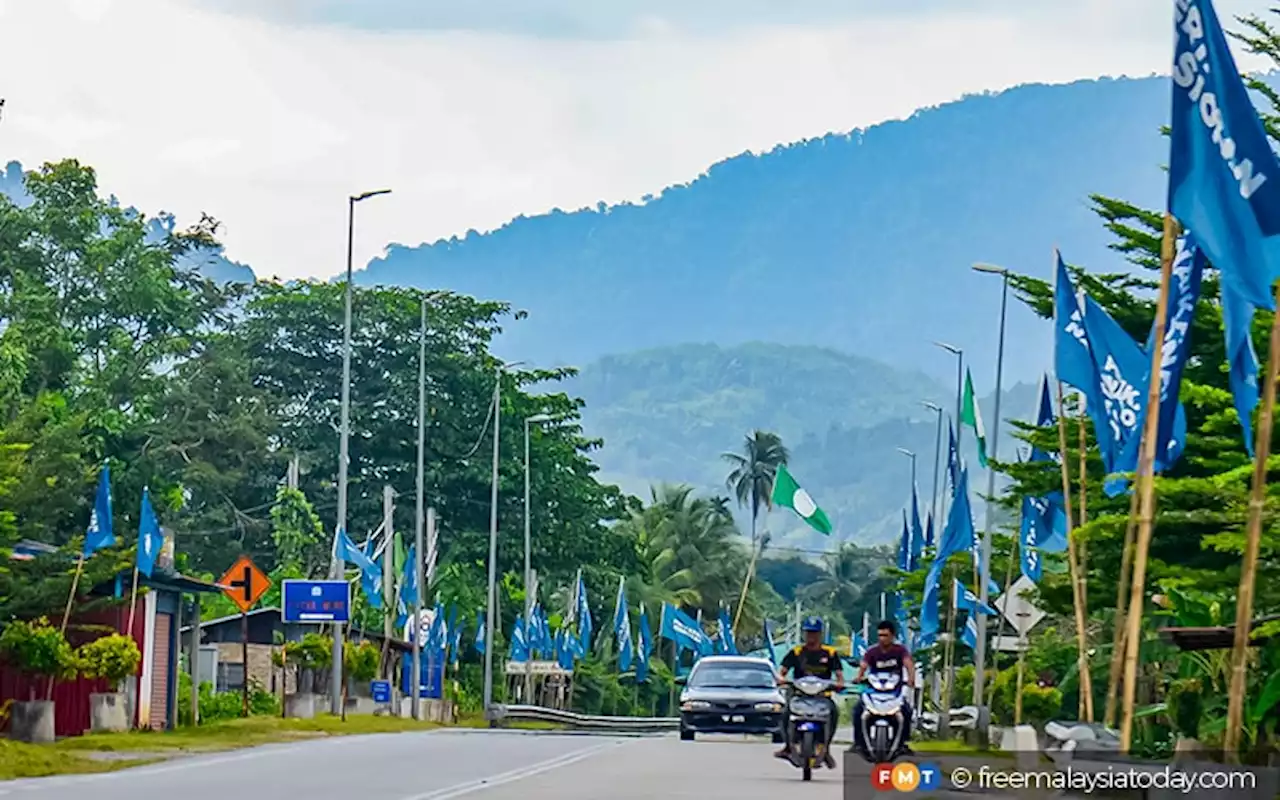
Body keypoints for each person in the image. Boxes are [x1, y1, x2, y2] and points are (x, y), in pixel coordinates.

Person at [774, 616, 844, 768]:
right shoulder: (796, 652)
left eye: (814, 633)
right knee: (785, 713)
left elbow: (839, 675)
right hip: (799, 696)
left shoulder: (830, 653)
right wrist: (781, 679)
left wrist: (839, 684)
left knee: (834, 713)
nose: (811, 636)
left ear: (820, 634)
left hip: (822, 696)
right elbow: (782, 672)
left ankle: (826, 749)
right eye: (808, 633)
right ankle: (787, 747)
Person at [851, 619, 915, 757]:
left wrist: (911, 679)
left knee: (907, 711)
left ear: (892, 636)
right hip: (874, 692)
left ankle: (902, 743)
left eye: (885, 635)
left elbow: (908, 663)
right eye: (880, 635)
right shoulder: (872, 651)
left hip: (894, 692)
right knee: (857, 711)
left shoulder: (900, 650)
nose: (882, 638)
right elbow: (864, 665)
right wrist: (859, 677)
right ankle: (858, 743)